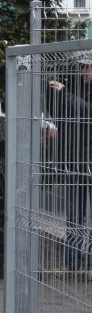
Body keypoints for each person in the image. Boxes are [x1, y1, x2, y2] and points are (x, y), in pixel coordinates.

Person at [46, 55, 92, 276]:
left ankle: (90, 265)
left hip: (89, 162)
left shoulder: (73, 92)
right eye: (84, 67)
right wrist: (52, 89)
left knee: (89, 217)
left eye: (89, 68)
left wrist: (64, 92)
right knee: (74, 215)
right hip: (75, 161)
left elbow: (86, 112)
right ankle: (70, 264)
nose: (86, 72)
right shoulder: (75, 87)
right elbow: (57, 114)